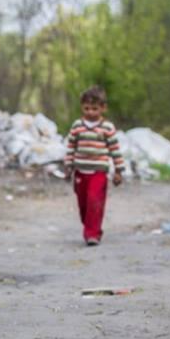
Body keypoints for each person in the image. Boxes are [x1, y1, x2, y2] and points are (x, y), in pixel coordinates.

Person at [63, 86, 125, 246]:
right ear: (82, 107)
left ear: (103, 108)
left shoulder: (107, 128)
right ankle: (89, 226)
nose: (90, 112)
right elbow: (71, 147)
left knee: (94, 201)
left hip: (99, 171)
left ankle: (93, 234)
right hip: (80, 171)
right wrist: (68, 166)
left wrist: (118, 170)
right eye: (87, 108)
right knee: (83, 203)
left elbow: (115, 150)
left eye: (95, 108)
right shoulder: (77, 126)